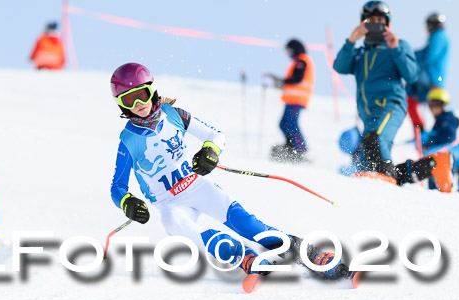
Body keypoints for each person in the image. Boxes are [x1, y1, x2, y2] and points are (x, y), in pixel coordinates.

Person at [108, 63, 349, 280]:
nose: (138, 105)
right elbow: (117, 187)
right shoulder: (128, 140)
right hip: (169, 203)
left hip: (197, 187)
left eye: (141, 95)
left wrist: (210, 151)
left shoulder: (174, 114)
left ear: (153, 90)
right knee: (174, 223)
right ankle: (243, 257)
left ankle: (312, 255)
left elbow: (216, 136)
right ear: (121, 104)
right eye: (129, 100)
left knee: (252, 227)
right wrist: (127, 202)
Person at [333, 1, 438, 186]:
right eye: (370, 20)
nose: (375, 24)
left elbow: (412, 74)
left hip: (390, 105)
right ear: (362, 23)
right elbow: (339, 66)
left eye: (379, 21)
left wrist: (396, 48)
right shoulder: (359, 54)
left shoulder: (397, 46)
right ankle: (412, 172)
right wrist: (351, 41)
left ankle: (386, 180)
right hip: (369, 114)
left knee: (374, 139)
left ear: (387, 24)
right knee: (368, 159)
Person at [265, 39, 315, 163]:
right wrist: (278, 81)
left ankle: (301, 150)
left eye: (289, 51)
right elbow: (291, 80)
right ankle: (290, 146)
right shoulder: (297, 61)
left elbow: (296, 79)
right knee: (283, 124)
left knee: (292, 124)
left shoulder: (302, 61)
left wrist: (281, 82)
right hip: (291, 100)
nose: (288, 54)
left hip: (297, 99)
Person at [406, 13, 450, 131]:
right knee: (411, 97)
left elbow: (429, 57)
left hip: (433, 78)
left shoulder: (439, 36)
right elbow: (425, 53)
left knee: (432, 103)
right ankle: (421, 128)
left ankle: (432, 129)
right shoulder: (436, 37)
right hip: (430, 78)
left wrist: (411, 57)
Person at [421, 88, 459, 191]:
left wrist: (431, 138)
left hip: (444, 158)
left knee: (442, 188)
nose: (434, 108)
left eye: (437, 105)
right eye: (432, 105)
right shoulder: (438, 122)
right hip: (436, 159)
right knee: (434, 187)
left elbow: (449, 135)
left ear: (444, 105)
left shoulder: (447, 119)